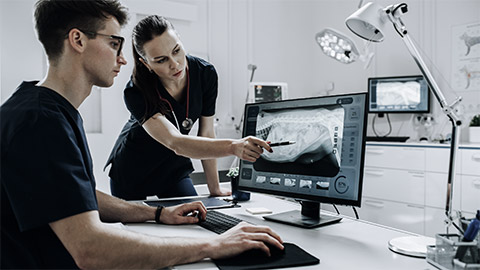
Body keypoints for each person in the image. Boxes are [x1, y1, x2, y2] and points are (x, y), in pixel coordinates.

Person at [0, 1, 283, 269]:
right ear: (78, 40)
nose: (123, 59)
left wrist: (157, 213)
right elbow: (90, 249)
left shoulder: (42, 110)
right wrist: (213, 245)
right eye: (114, 43)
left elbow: (75, 197)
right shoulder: (41, 122)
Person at [106, 15, 272, 200]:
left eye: (176, 50)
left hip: (172, 167)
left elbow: (207, 133)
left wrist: (214, 188)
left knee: (193, 217)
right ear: (146, 64)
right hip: (133, 170)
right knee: (135, 227)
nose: (174, 64)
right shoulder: (136, 90)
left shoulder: (205, 74)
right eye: (161, 60)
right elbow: (174, 141)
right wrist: (233, 147)